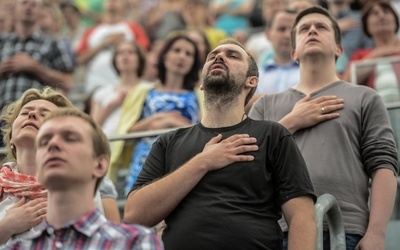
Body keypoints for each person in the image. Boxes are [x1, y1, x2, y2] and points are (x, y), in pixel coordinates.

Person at [123, 38, 317, 249]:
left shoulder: (272, 134)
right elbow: (134, 216)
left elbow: (301, 216)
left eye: (232, 56)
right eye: (212, 56)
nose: (219, 57)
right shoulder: (168, 142)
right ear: (202, 84)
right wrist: (203, 162)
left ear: (251, 81)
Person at [249, 6, 399, 249]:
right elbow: (248, 165)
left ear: (339, 48)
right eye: (305, 29)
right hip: (276, 234)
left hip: (346, 230)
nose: (312, 31)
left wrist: (376, 234)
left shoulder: (366, 98)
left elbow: (383, 165)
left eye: (321, 27)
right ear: (294, 52)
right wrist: (291, 122)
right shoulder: (266, 105)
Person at [2, 108, 163, 249]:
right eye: (44, 142)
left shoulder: (135, 243)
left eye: (70, 138)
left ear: (100, 164)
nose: (53, 144)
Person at [108, 34, 204, 190]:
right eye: (177, 50)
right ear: (165, 56)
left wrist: (180, 124)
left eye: (188, 54)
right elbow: (127, 131)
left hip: (185, 161)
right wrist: (157, 120)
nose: (182, 57)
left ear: (193, 62)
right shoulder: (142, 91)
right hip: (145, 160)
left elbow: (206, 131)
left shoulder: (200, 94)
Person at [0, 87, 74, 245]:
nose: (32, 115)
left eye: (44, 115)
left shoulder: (79, 186)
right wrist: (6, 227)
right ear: (11, 137)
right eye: (26, 112)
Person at [0, 0, 74, 114]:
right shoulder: (2, 42)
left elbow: (68, 82)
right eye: (24, 3)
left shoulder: (52, 43)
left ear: (40, 12)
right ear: (15, 10)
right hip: (3, 113)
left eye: (34, 5)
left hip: (34, 114)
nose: (29, 7)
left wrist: (35, 68)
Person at [75, 0, 150, 95]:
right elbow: (80, 60)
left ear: (124, 6)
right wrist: (105, 43)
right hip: (96, 86)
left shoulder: (133, 28)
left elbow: (143, 53)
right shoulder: (92, 30)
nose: (112, 2)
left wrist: (122, 45)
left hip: (128, 87)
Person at [343, 0, 400, 102]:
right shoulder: (360, 55)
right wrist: (381, 53)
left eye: (386, 12)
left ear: (396, 23)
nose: (381, 16)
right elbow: (347, 83)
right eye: (374, 13)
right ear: (367, 27)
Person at [90, 40, 148, 138]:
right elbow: (92, 129)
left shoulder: (149, 89)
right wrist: (110, 106)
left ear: (139, 59)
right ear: (115, 60)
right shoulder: (101, 92)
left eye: (131, 52)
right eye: (120, 53)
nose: (125, 56)